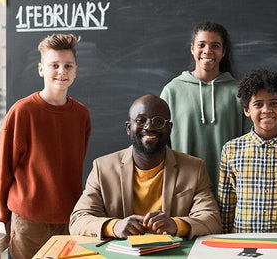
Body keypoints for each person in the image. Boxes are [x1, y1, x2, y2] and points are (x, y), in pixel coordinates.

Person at [0, 34, 90, 259]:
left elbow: (76, 164)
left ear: (75, 70)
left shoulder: (81, 115)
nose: (61, 72)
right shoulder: (22, 111)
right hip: (28, 221)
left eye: (68, 66)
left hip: (69, 219)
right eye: (54, 65)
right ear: (41, 69)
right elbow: (3, 170)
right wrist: (2, 219)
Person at [69, 94, 221, 239]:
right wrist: (115, 227)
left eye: (158, 121)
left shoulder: (194, 168)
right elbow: (78, 219)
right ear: (129, 128)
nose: (149, 127)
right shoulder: (102, 168)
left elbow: (212, 219)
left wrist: (177, 225)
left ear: (169, 128)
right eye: (141, 120)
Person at [218, 69, 277, 233]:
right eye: (258, 104)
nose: (266, 110)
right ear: (247, 110)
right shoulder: (231, 150)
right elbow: (226, 204)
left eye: (274, 103)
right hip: (242, 242)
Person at [160, 21, 250, 192]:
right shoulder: (172, 91)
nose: (207, 51)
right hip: (183, 189)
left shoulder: (239, 92)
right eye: (202, 45)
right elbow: (163, 145)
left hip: (230, 190)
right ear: (192, 48)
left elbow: (249, 143)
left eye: (215, 45)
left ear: (223, 52)